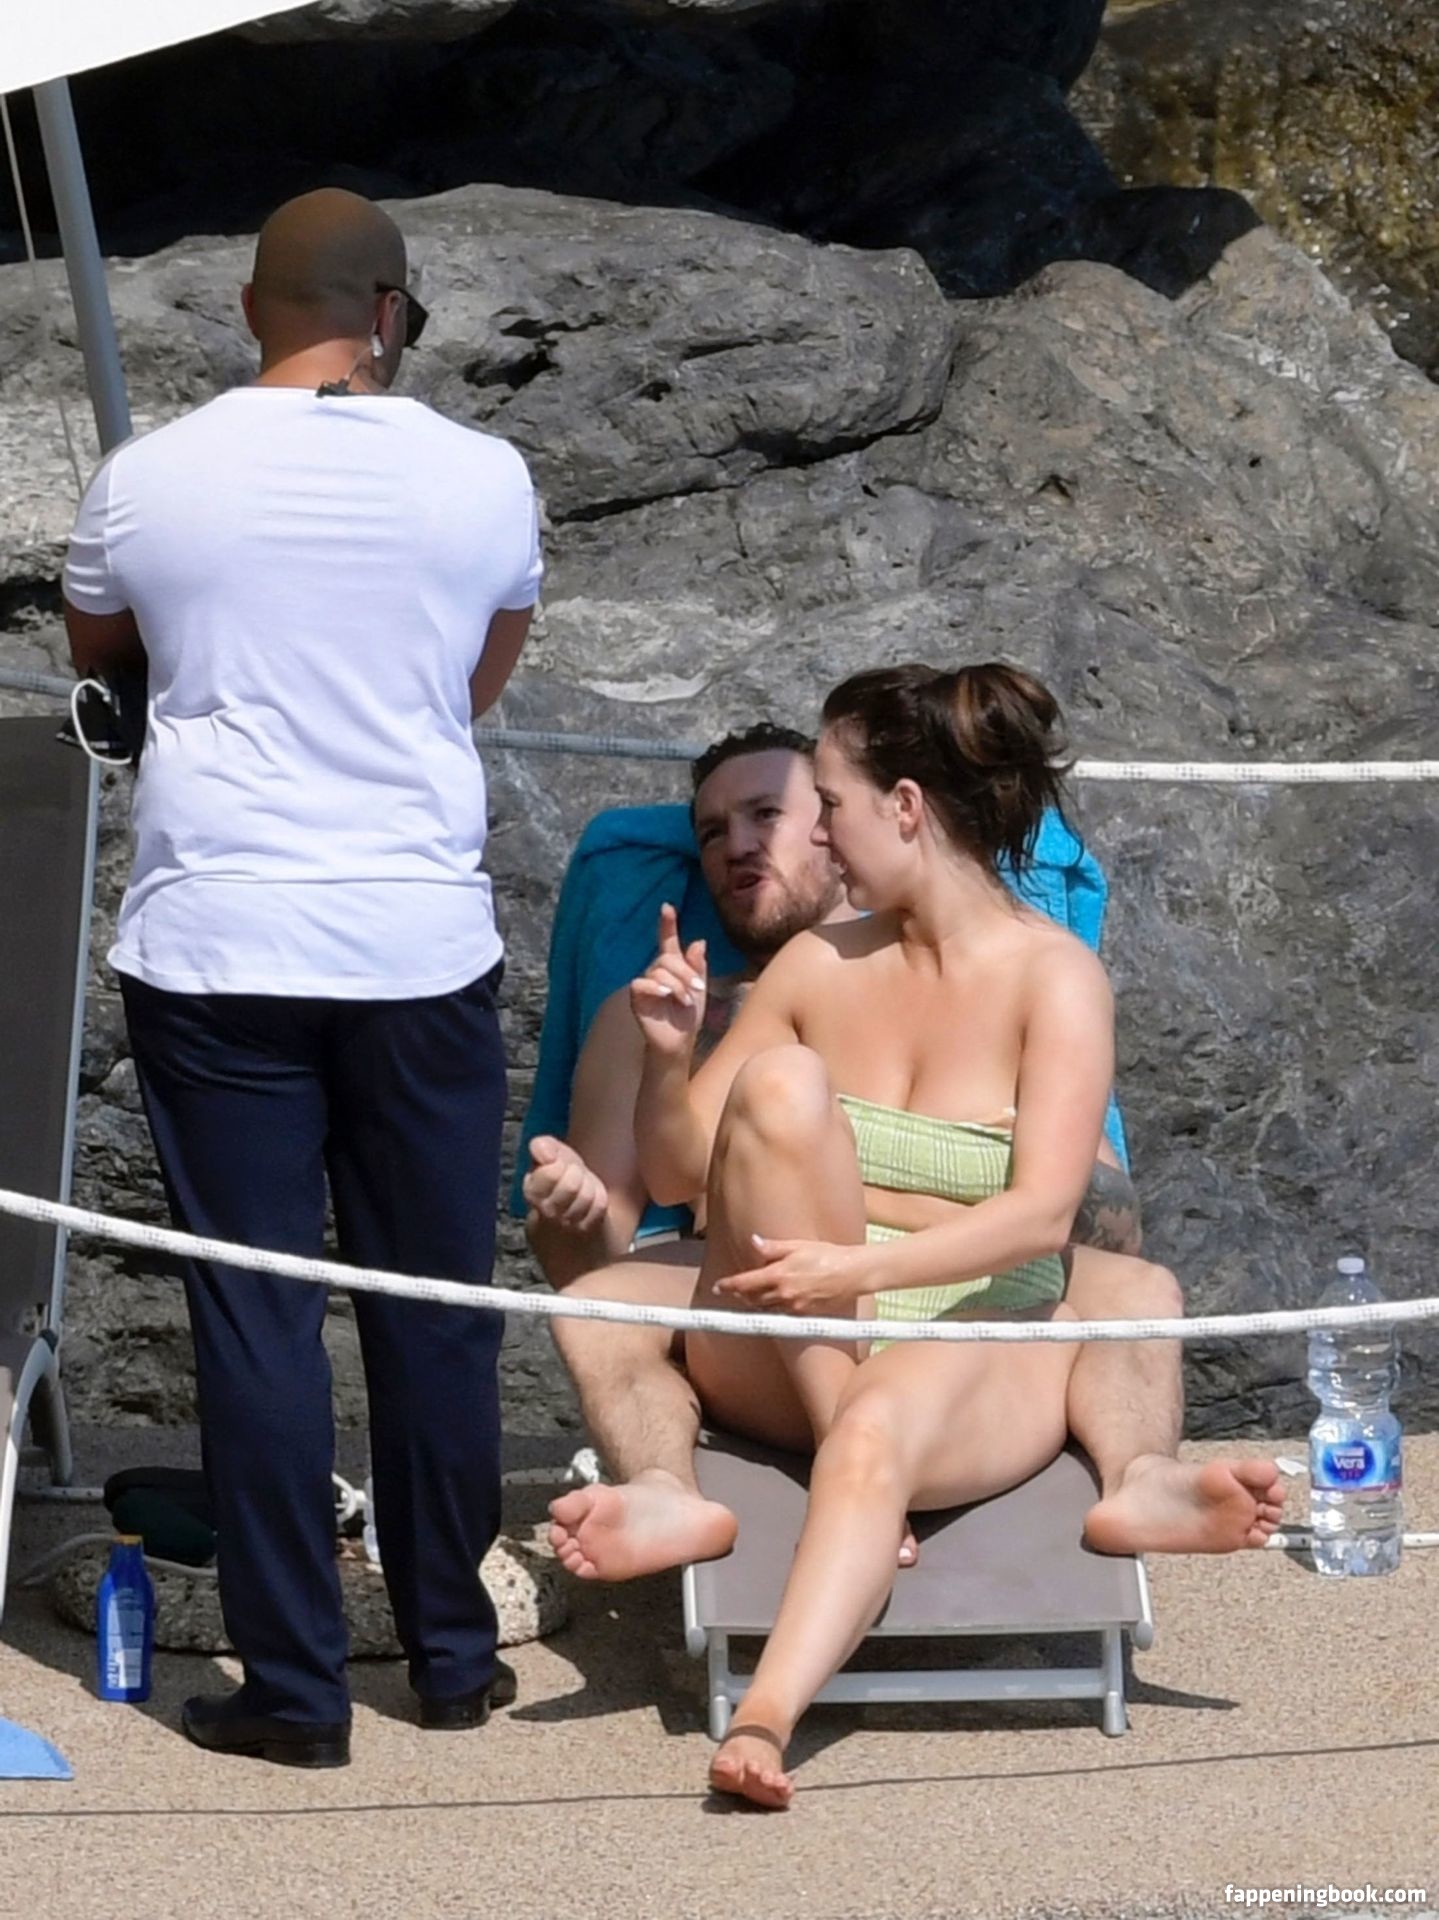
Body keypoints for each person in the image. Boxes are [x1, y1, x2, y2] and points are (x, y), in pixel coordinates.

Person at [62, 189, 541, 1767]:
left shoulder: (147, 477)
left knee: (253, 1315)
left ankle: (292, 1688)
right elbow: (473, 684)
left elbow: (99, 657)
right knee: (433, 1307)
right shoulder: (484, 476)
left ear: (248, 309)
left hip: (218, 939)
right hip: (416, 940)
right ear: (391, 312)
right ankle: (452, 1657)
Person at [530, 725, 1280, 1591]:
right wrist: (574, 1206)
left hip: (956, 1290)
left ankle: (1139, 1475)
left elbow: (1102, 1223)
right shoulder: (655, 1010)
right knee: (596, 1309)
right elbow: (606, 1243)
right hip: (765, 1300)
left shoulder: (1009, 978)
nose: (736, 846)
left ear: (847, 821)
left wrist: (901, 1210)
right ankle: (666, 1489)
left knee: (1142, 1293)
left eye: (769, 814)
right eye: (710, 831)